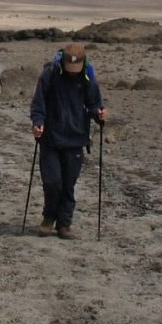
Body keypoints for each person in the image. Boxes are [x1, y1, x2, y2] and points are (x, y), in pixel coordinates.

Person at [29, 43, 107, 240]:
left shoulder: (87, 77)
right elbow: (39, 102)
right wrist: (38, 122)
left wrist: (99, 115)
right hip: (51, 138)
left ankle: (64, 224)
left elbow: (93, 104)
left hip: (75, 138)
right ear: (62, 61)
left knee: (68, 184)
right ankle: (48, 218)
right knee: (52, 182)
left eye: (76, 70)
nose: (73, 73)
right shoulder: (50, 74)